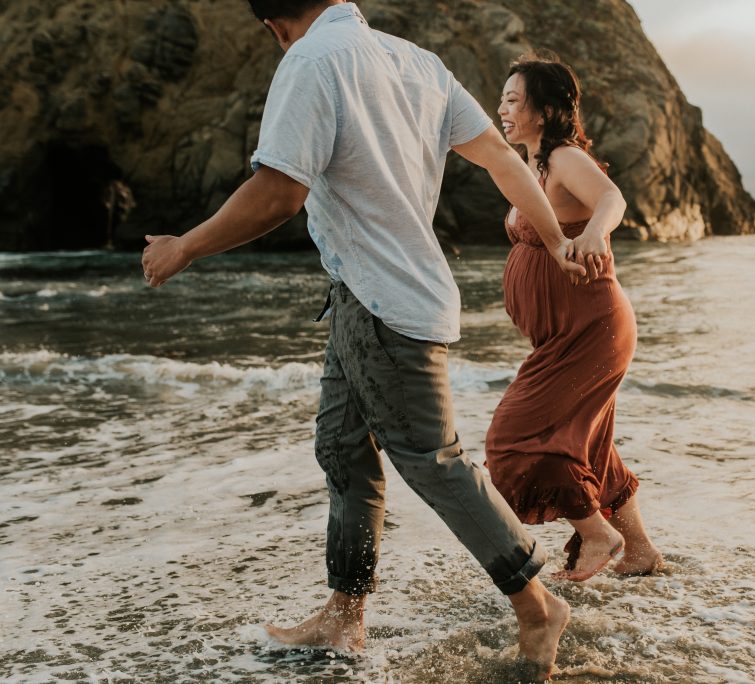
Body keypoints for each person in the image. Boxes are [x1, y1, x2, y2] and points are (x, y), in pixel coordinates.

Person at [140, 2, 589, 677]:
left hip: (386, 307)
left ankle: (536, 603)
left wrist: (185, 248)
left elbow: (277, 194)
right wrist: (553, 236)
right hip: (365, 299)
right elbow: (499, 158)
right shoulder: (417, 64)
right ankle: (344, 618)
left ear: (272, 23)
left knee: (433, 460)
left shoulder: (310, 60)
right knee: (342, 447)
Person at [485, 57, 663, 581]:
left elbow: (612, 198)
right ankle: (639, 552)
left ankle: (597, 535)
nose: (503, 109)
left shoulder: (563, 159)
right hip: (563, 334)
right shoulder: (529, 167)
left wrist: (590, 235)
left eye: (514, 100)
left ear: (544, 111)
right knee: (593, 446)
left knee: (514, 439)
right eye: (502, 99)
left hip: (592, 330)